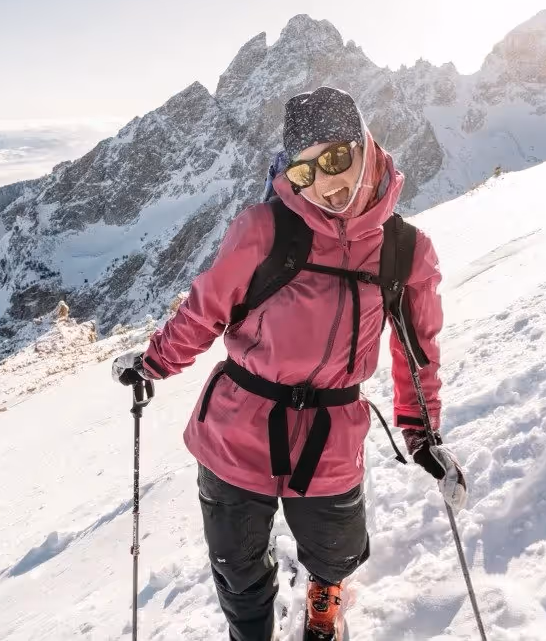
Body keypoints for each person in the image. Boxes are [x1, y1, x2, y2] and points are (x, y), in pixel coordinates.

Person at [113, 86, 466, 641]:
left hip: (332, 432)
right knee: (236, 564)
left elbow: (416, 350)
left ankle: (325, 602)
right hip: (238, 426)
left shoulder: (404, 251)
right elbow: (205, 311)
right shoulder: (264, 229)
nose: (325, 183)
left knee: (337, 547)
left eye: (336, 158)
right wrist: (153, 363)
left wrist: (422, 434)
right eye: (305, 172)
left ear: (365, 144)